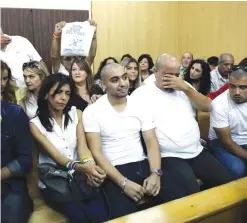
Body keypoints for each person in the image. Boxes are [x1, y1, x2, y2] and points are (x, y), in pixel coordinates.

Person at [83, 63, 187, 220]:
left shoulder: (139, 105)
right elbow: (96, 153)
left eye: (124, 77)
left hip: (142, 165)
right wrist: (123, 183)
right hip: (113, 172)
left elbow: (151, 142)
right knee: (123, 217)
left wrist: (155, 173)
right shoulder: (92, 111)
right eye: (115, 80)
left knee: (180, 204)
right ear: (103, 84)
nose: (123, 83)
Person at [131, 53, 233, 195]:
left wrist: (185, 88)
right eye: (168, 75)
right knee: (191, 191)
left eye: (176, 74)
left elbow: (208, 106)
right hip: (170, 155)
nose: (173, 79)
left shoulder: (183, 86)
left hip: (196, 150)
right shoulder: (141, 94)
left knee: (227, 183)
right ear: (155, 71)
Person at [29, 74, 108, 223]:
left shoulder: (75, 113)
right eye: (58, 92)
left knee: (101, 215)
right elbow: (57, 157)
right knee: (80, 218)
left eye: (67, 93)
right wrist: (84, 168)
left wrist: (90, 166)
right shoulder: (35, 124)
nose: (63, 97)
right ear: (46, 94)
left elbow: (82, 147)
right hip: (55, 181)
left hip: (80, 177)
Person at [208, 66, 247, 180]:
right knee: (237, 168)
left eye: (243, 87)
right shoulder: (219, 104)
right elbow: (227, 143)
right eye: (232, 86)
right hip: (222, 143)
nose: (236, 92)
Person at [1, 100, 33, 222]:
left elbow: (25, 160)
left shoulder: (15, 113)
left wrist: (2, 173)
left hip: (10, 186)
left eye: (4, 79)